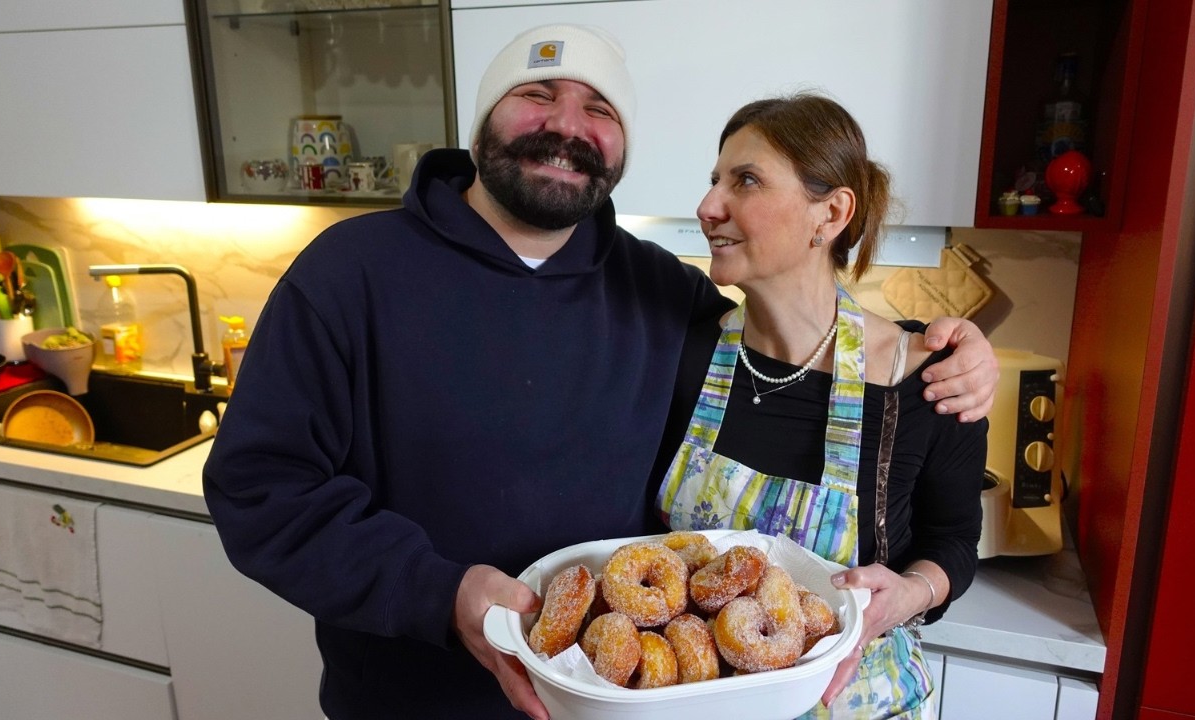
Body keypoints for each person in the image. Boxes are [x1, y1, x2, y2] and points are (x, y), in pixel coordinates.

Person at [203, 25, 996, 720]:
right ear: (483, 120)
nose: (564, 125)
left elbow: (803, 335)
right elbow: (261, 488)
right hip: (413, 699)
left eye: (600, 109)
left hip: (631, 706)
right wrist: (441, 596)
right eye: (537, 93)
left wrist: (953, 345)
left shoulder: (662, 293)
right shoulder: (350, 274)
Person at [655, 93, 988, 719]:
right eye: (713, 180)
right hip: (692, 700)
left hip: (851, 703)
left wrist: (908, 593)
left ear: (830, 213)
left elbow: (954, 541)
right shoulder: (684, 349)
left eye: (745, 180)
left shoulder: (924, 380)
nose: (707, 207)